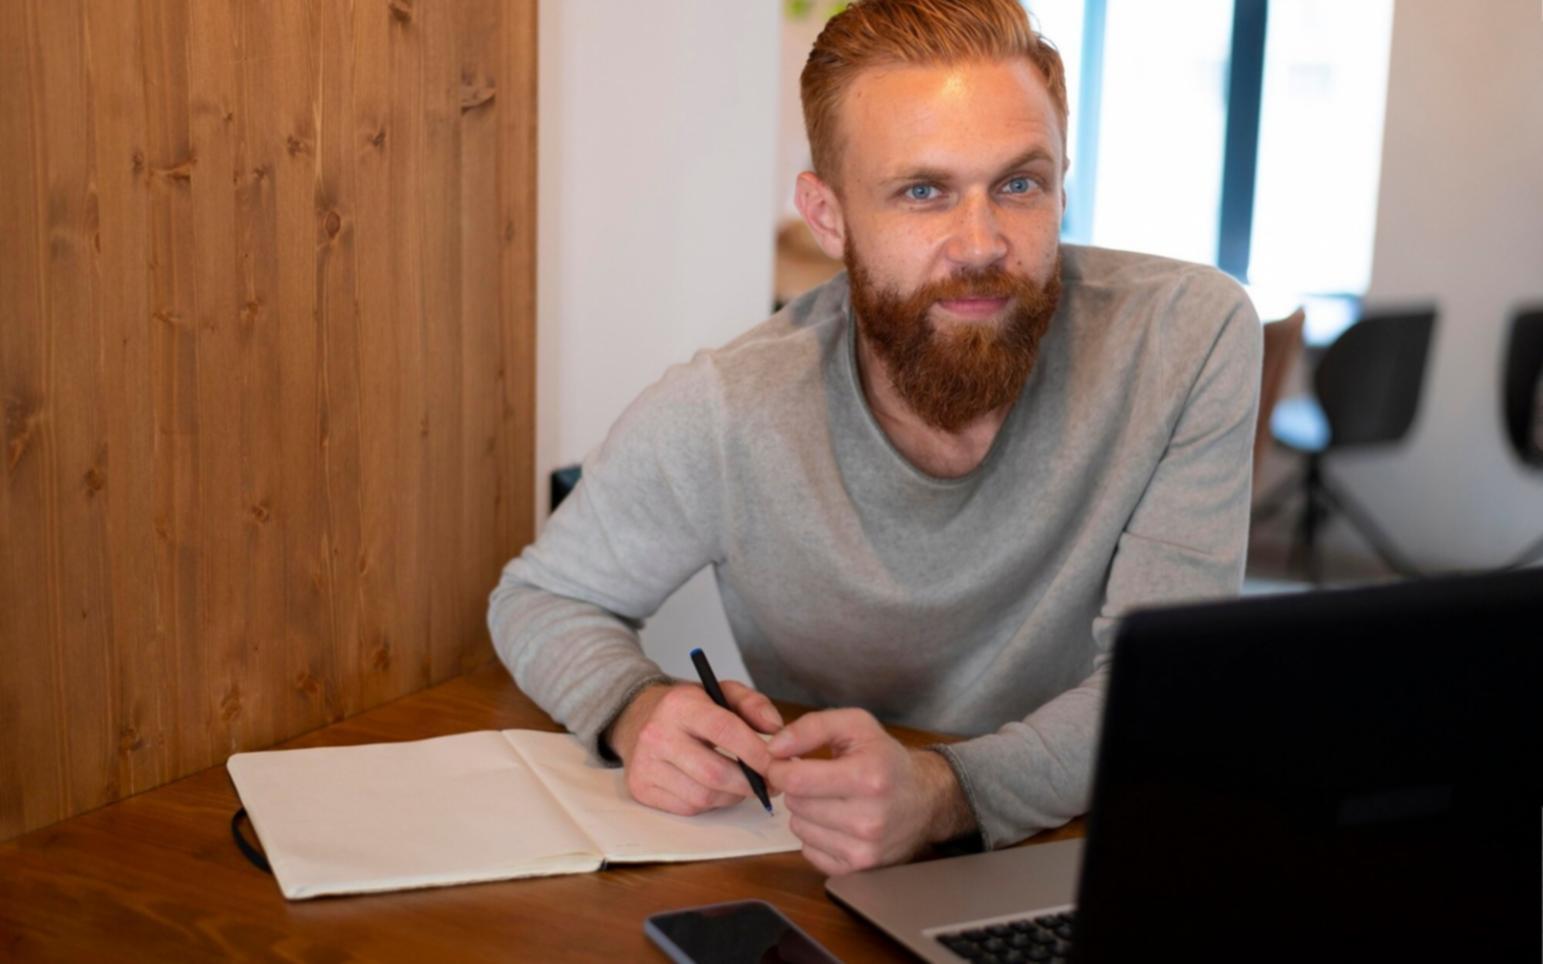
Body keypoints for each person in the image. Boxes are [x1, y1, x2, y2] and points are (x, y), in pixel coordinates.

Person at [488, 0, 1260, 876]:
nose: (981, 244)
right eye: (922, 192)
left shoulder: (1186, 338)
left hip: (1091, 843)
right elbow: (540, 598)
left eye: (1018, 184)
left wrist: (944, 791)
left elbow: (1162, 695)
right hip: (835, 855)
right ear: (827, 216)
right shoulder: (730, 407)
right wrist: (632, 707)